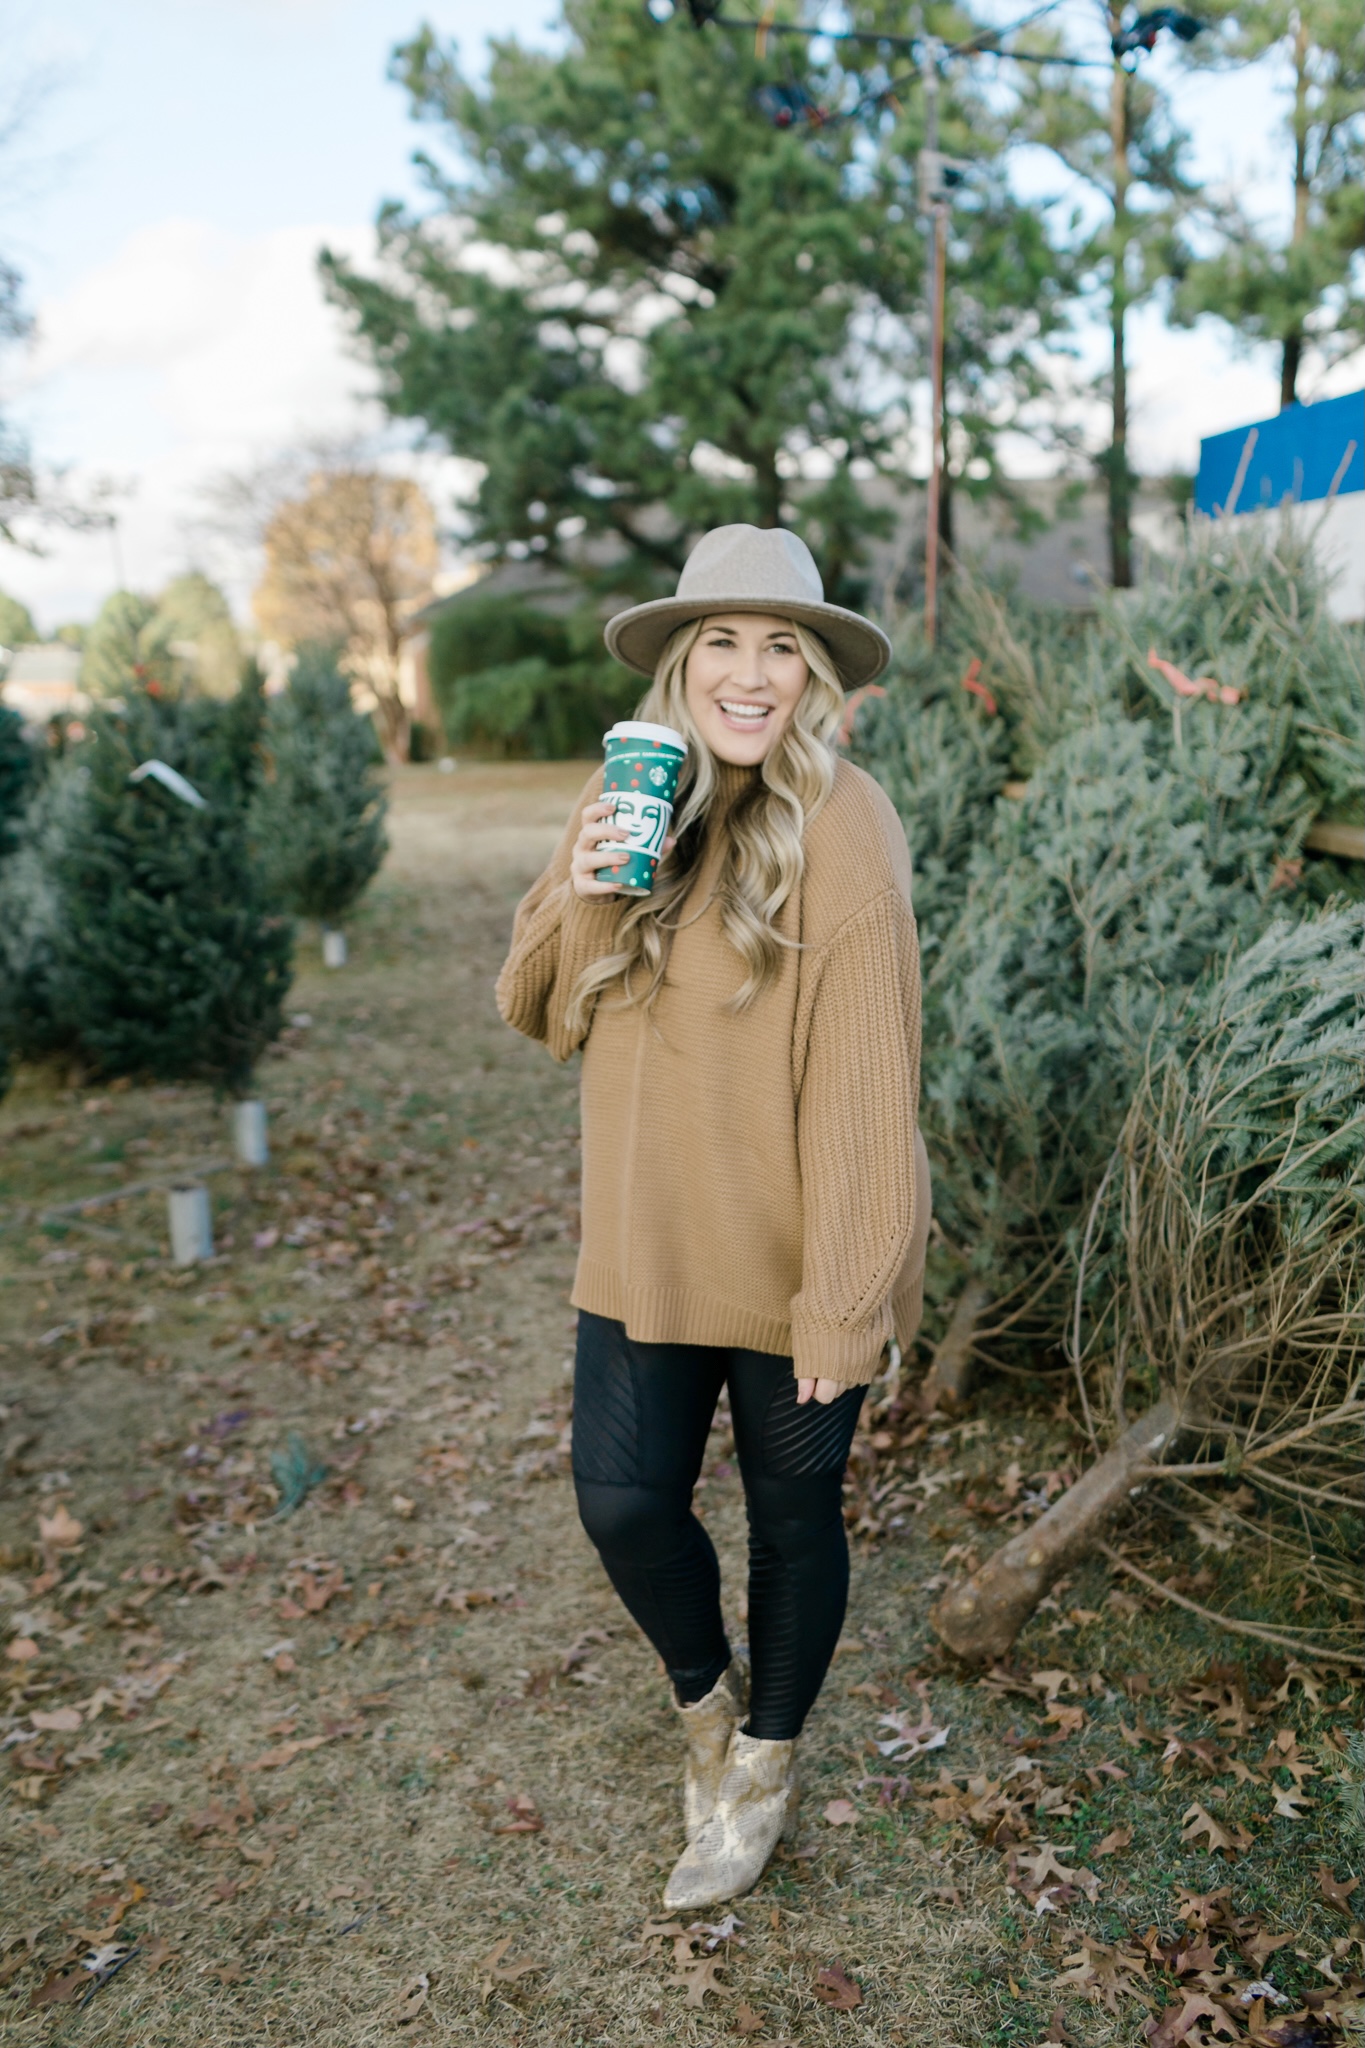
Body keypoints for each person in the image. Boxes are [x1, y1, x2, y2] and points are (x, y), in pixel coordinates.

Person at [496, 524, 930, 1910]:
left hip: (796, 1253)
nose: (751, 675)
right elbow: (533, 1010)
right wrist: (581, 888)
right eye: (723, 645)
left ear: (812, 676)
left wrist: (848, 1298)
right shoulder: (631, 793)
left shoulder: (843, 823)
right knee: (623, 1503)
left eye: (781, 647)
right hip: (642, 1240)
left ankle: (761, 1769)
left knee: (793, 1522)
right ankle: (705, 1710)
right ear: (682, 666)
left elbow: (869, 1083)